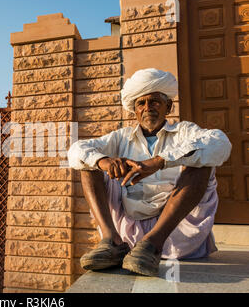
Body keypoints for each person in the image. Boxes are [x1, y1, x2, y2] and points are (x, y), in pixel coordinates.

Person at [67, 68, 232, 276]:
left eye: (154, 101)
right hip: (127, 231)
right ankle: (111, 243)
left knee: (203, 163)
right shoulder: (121, 137)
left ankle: (152, 244)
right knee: (88, 163)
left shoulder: (184, 132)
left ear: (168, 106)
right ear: (134, 110)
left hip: (175, 232)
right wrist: (104, 161)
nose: (148, 108)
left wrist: (159, 162)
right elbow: (76, 150)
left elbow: (220, 143)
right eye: (141, 103)